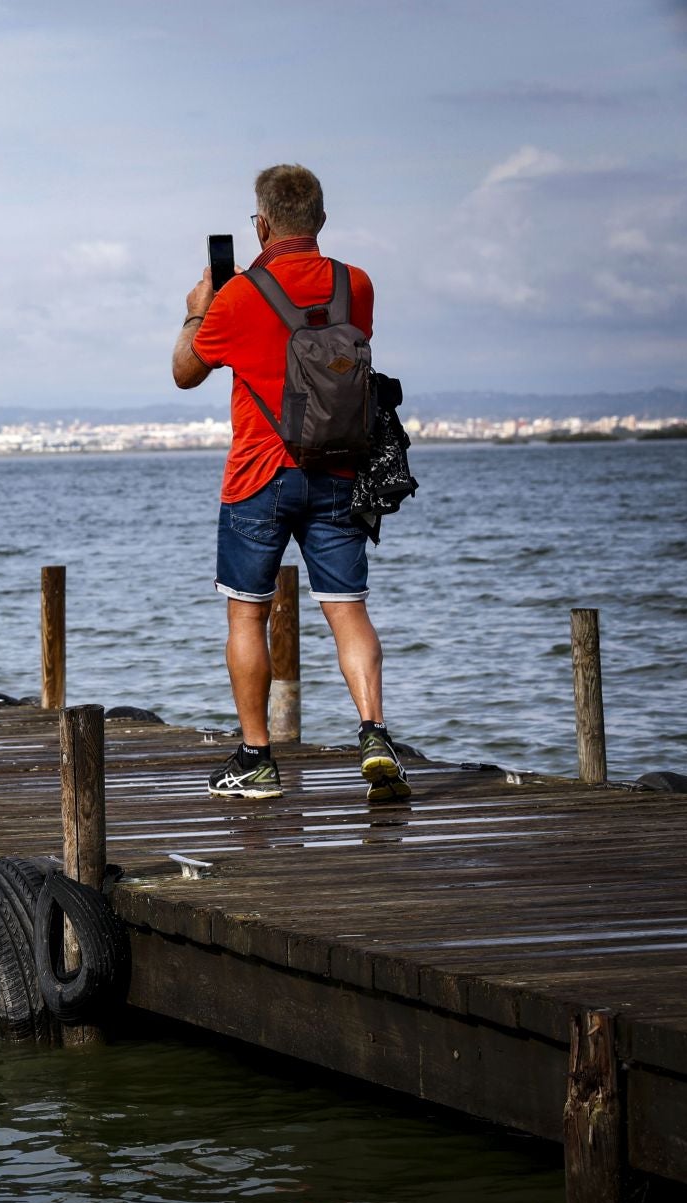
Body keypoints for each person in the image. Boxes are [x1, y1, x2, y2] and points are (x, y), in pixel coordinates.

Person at [171, 164, 409, 802]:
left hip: (258, 475)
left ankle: (256, 760)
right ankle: (375, 734)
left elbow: (185, 373)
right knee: (348, 609)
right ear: (322, 221)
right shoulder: (355, 284)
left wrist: (198, 312)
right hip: (338, 469)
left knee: (247, 616)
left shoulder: (239, 296)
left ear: (262, 223)